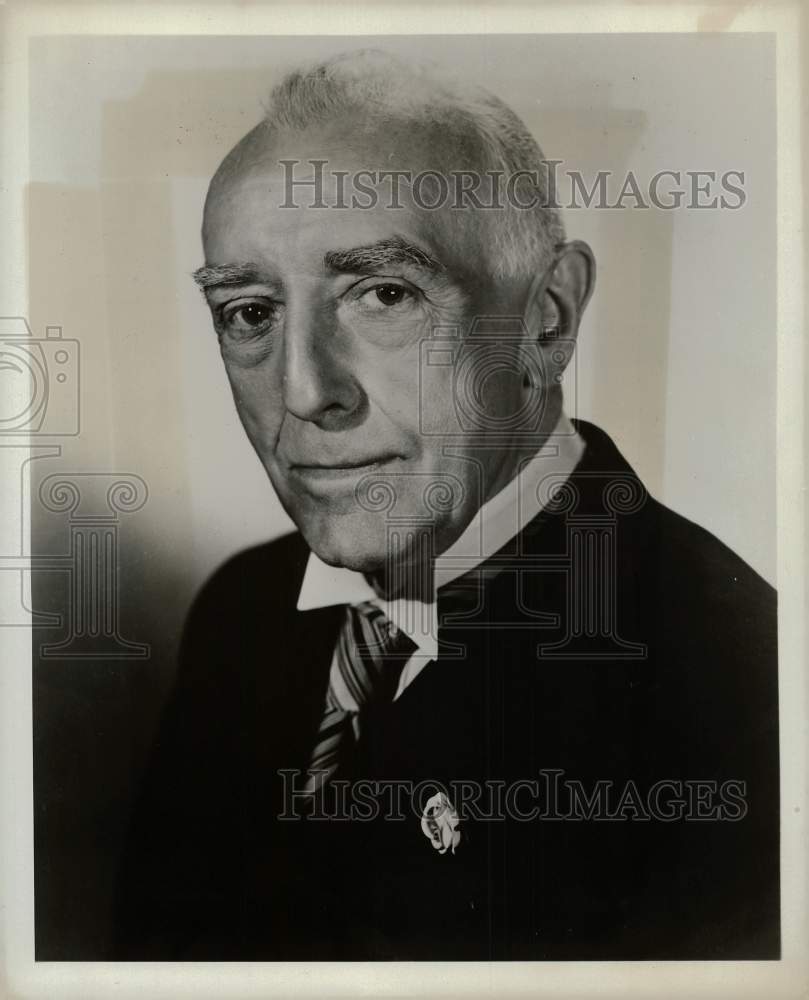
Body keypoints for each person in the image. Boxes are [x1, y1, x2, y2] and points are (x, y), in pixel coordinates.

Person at [114, 50, 779, 961]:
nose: (305, 392)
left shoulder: (740, 682)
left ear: (545, 316)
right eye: (249, 312)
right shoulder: (243, 611)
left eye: (383, 294)